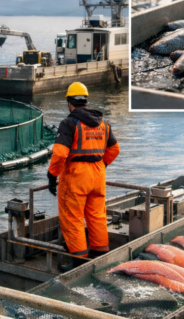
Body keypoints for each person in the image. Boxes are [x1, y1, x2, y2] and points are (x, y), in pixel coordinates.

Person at [46, 82, 119, 271]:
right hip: (98, 174)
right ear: (86, 100)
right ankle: (100, 253)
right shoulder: (103, 123)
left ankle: (79, 262)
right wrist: (102, 164)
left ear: (70, 102)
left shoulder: (69, 123)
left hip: (76, 176)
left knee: (73, 217)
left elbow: (60, 154)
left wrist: (52, 175)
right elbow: (114, 149)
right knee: (97, 215)